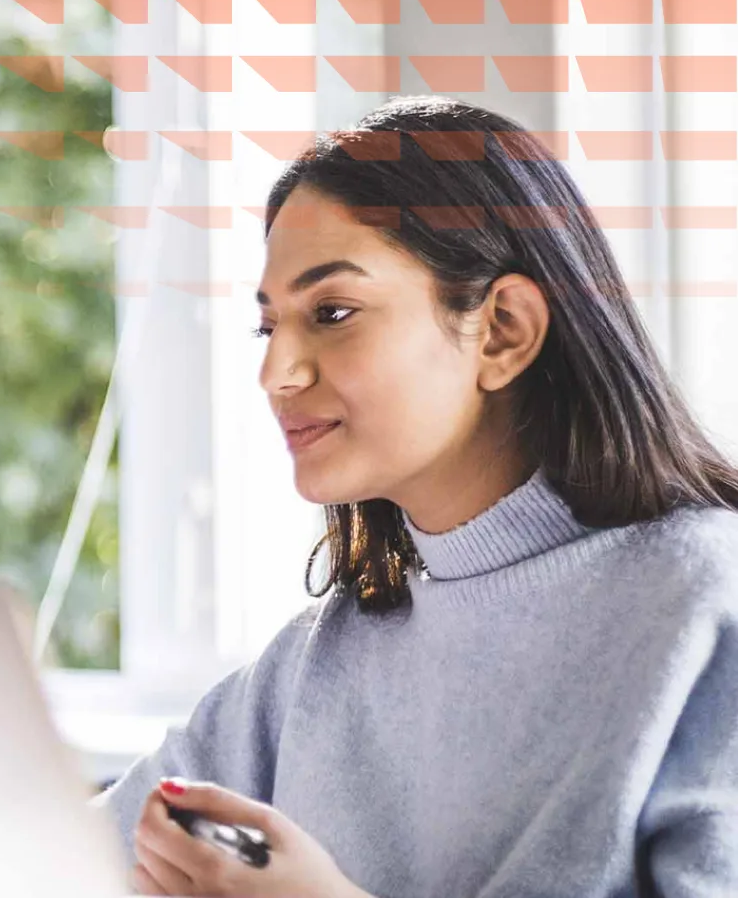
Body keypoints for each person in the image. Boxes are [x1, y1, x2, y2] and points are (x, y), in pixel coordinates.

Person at [95, 94, 738, 898]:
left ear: (502, 329)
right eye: (269, 327)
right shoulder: (317, 663)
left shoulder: (706, 598)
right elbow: (58, 857)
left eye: (332, 312)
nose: (276, 374)